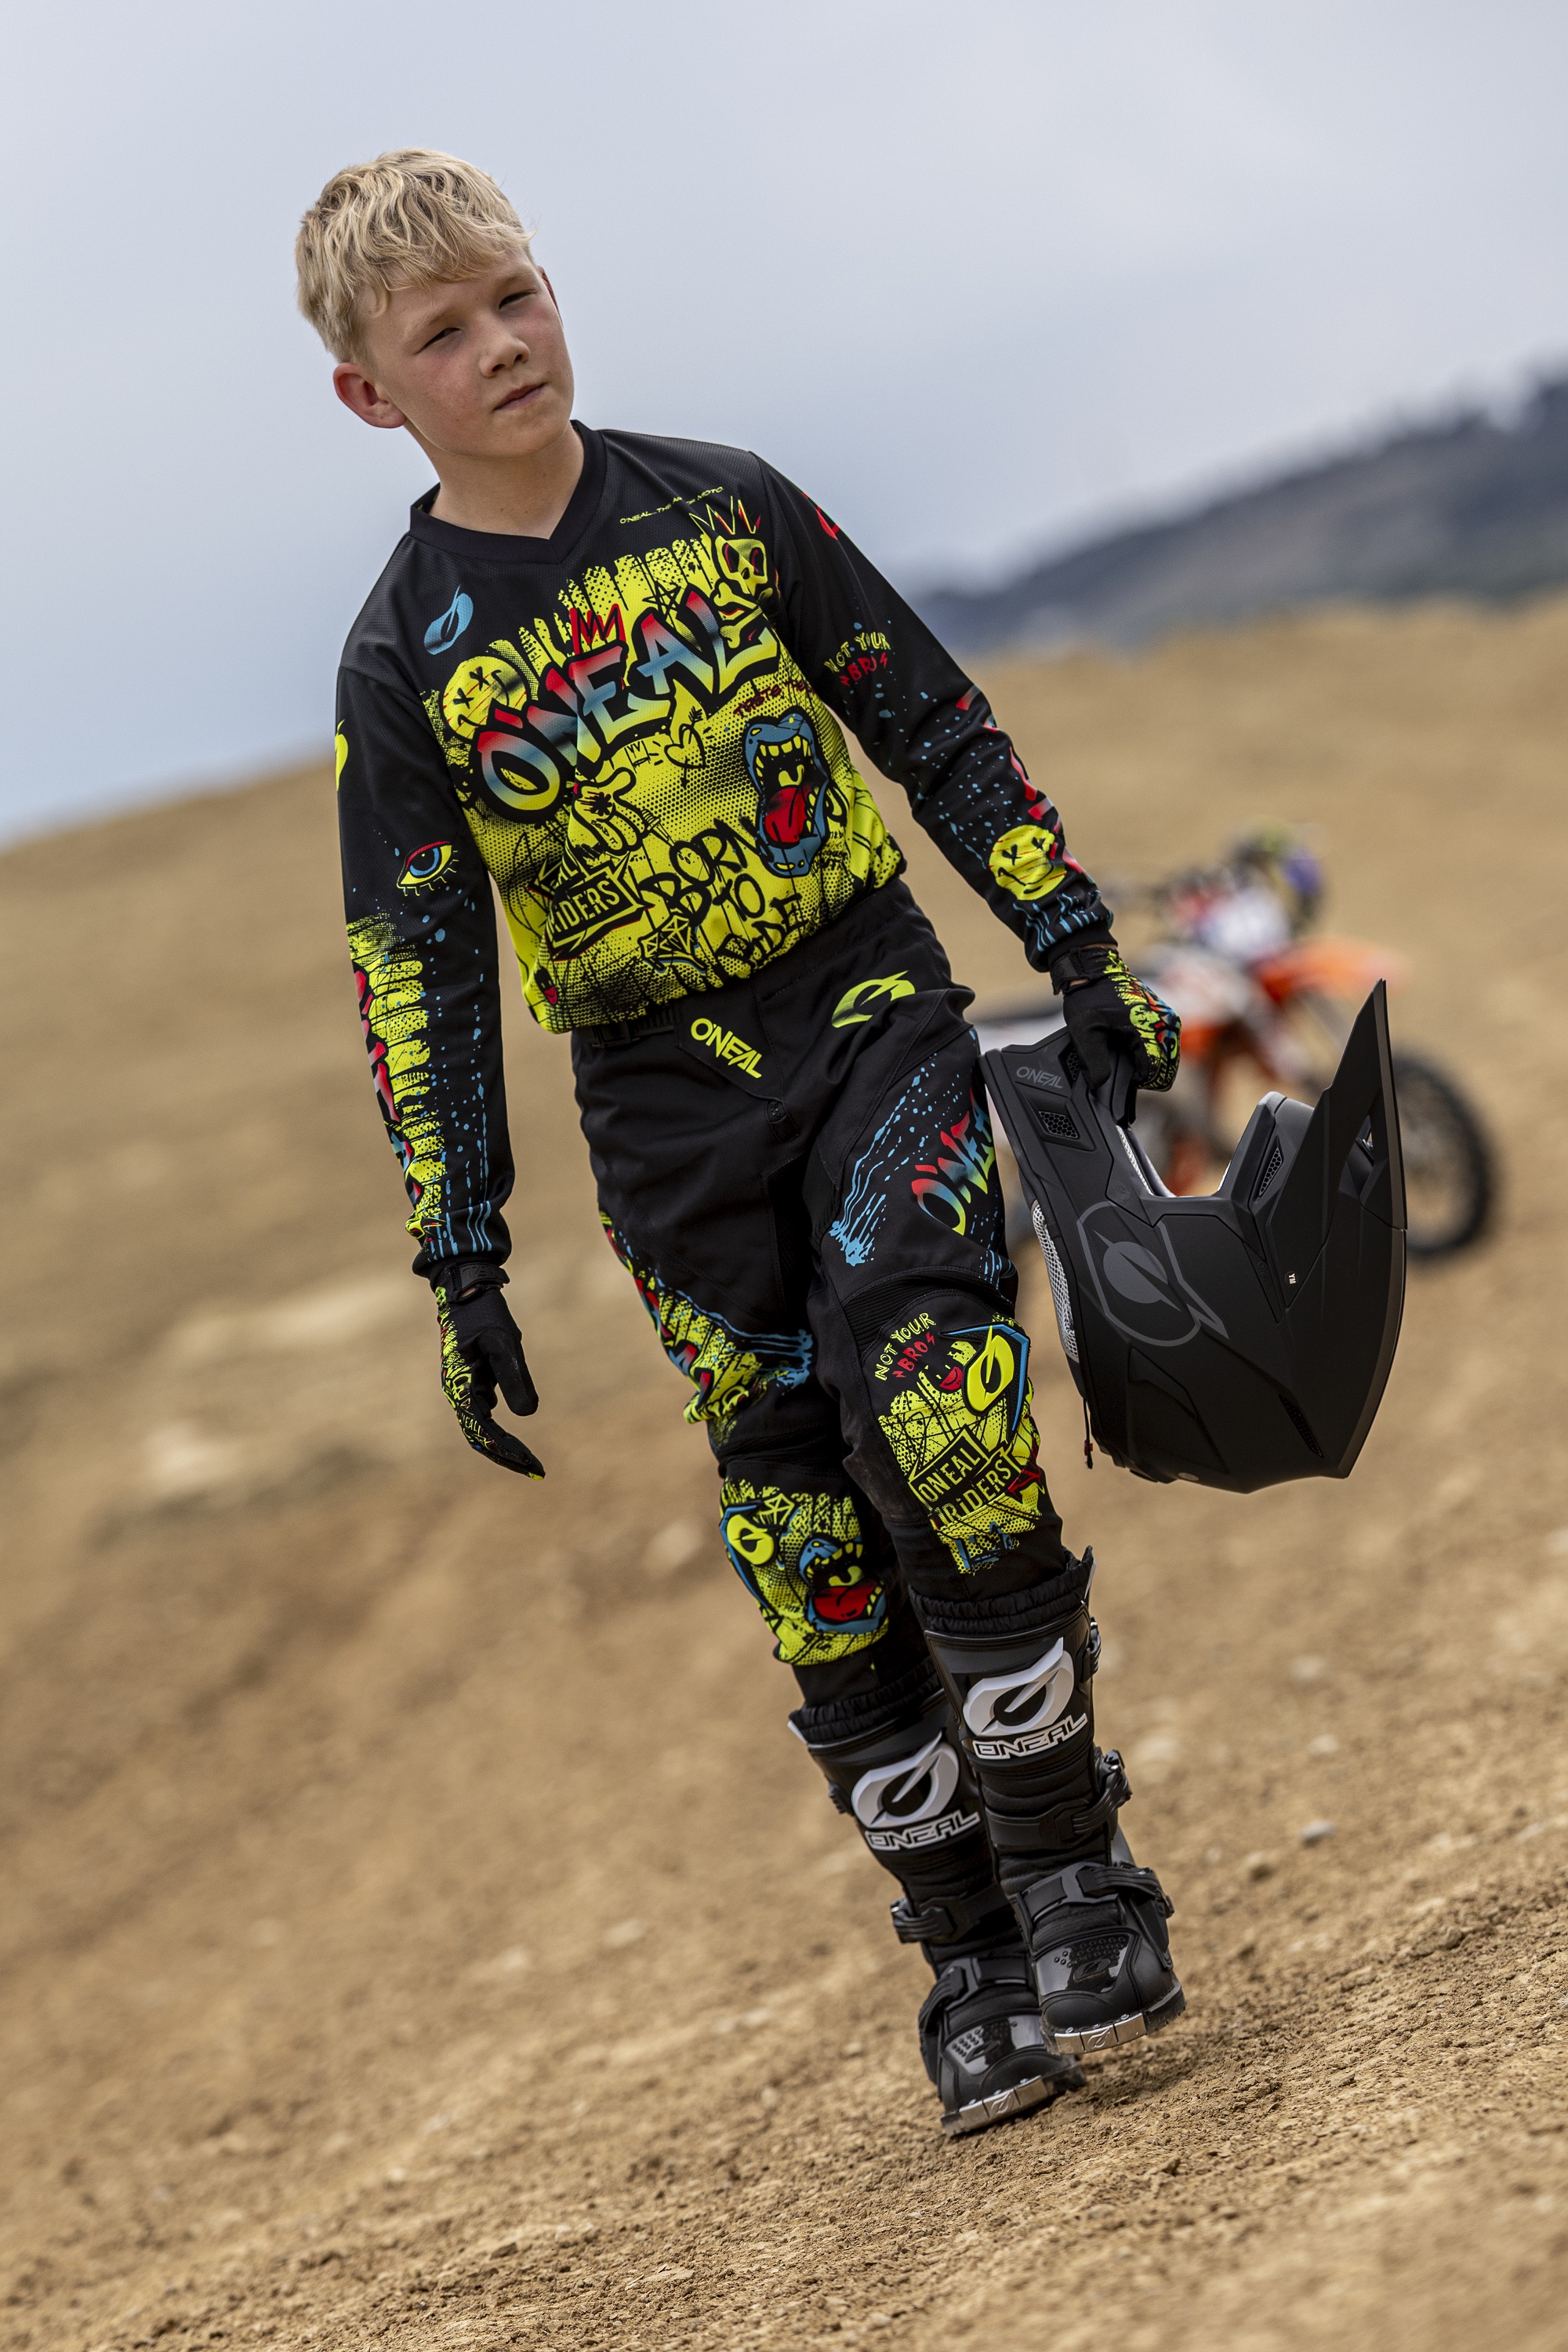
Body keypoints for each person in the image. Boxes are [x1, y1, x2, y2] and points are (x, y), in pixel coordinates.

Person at [296, 150, 1185, 2138]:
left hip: (865, 1009)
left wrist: (1073, 941)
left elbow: (929, 721)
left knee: (939, 1405)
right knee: (801, 1525)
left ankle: (1075, 1879)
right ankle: (969, 1964)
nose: (501, 343)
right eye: (443, 332)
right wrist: (458, 1251)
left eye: (515, 294)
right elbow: (415, 965)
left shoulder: (726, 502)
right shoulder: (402, 654)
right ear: (370, 391)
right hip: (661, 1117)